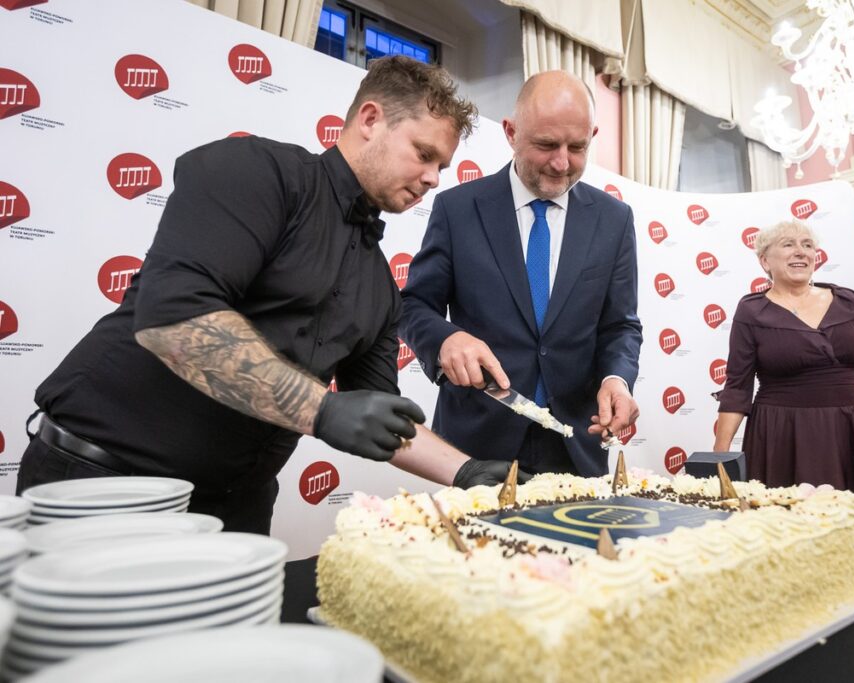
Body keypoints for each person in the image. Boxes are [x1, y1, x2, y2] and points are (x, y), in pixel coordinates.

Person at [18, 56, 524, 534]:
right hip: (106, 481)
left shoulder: (381, 288)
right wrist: (322, 413)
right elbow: (173, 319)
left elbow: (381, 414)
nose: (434, 179)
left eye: (443, 166)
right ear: (370, 119)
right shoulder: (257, 172)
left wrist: (468, 471)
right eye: (424, 154)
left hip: (235, 504)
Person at [399, 70, 643, 477]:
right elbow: (413, 306)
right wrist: (446, 339)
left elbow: (620, 325)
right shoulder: (457, 209)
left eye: (577, 147)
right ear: (511, 133)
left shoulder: (614, 219)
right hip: (475, 443)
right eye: (546, 145)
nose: (562, 163)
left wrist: (617, 379)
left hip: (577, 444)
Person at [713, 220, 854, 510]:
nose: (801, 252)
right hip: (784, 434)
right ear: (764, 261)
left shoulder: (847, 301)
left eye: (807, 245)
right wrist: (720, 454)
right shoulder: (751, 311)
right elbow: (738, 385)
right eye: (788, 244)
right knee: (791, 531)